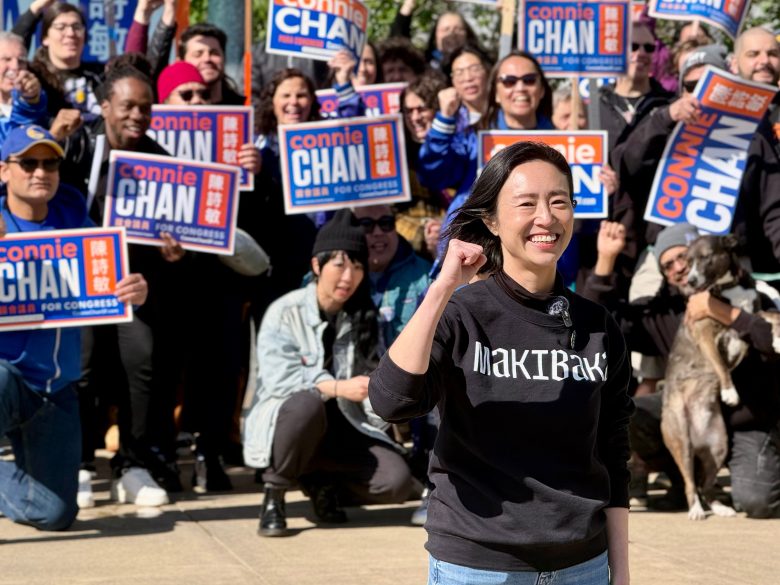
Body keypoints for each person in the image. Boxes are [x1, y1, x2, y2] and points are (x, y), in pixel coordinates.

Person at [369, 142, 633, 583]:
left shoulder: (598, 325)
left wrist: (619, 573)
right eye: (526, 203)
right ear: (490, 219)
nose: (545, 218)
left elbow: (614, 453)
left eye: (559, 201)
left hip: (582, 566)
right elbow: (391, 400)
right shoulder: (461, 314)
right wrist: (444, 287)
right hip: (478, 566)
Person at [0, 125, 148, 530]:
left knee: (56, 514)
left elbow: (111, 286)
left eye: (50, 163)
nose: (40, 171)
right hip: (6, 379)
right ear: (3, 170)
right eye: (28, 162)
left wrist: (135, 289)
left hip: (54, 392)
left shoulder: (79, 224)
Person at [584, 221, 780, 518]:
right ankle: (680, 478)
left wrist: (723, 312)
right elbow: (597, 321)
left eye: (685, 257)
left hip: (746, 416)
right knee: (627, 412)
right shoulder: (664, 312)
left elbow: (770, 342)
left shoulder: (749, 291)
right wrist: (606, 260)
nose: (679, 267)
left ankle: (734, 472)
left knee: (758, 501)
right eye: (668, 264)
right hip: (692, 408)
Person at [243, 209, 414, 537]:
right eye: (339, 264)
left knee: (396, 483)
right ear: (317, 266)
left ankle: (323, 487)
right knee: (306, 404)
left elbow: (370, 390)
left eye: (357, 265)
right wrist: (336, 387)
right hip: (292, 425)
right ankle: (274, 493)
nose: (348, 276)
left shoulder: (363, 318)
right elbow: (280, 380)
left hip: (343, 429)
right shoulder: (284, 311)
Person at [598, 21, 674, 155]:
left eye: (649, 48)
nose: (641, 53)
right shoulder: (597, 106)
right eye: (633, 47)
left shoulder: (668, 104)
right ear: (617, 51)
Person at [0, 32, 48, 143]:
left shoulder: (36, 105)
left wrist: (31, 97)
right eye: (7, 59)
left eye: (21, 61)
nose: (15, 67)